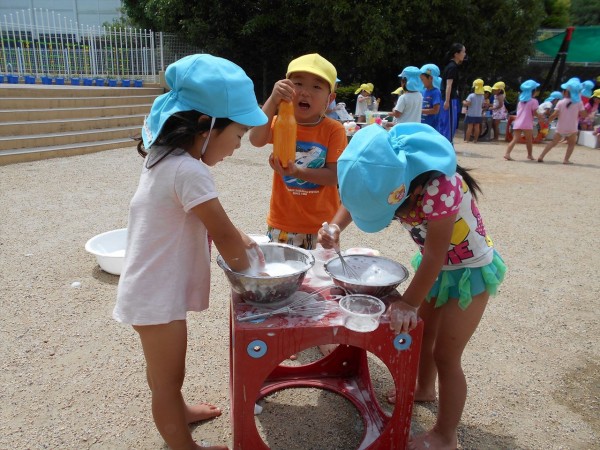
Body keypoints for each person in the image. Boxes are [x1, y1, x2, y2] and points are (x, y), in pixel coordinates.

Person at [318, 123, 506, 450]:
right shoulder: (392, 175)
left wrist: (407, 302)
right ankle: (424, 389)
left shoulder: (442, 189)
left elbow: (434, 255)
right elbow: (354, 199)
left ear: (409, 191)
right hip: (437, 269)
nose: (394, 218)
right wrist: (335, 226)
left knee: (446, 355)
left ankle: (446, 436)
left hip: (470, 273)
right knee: (423, 336)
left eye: (393, 213)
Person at [113, 54, 268, 450]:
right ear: (206, 127)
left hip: (150, 288)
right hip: (155, 296)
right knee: (167, 382)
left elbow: (210, 225)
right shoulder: (191, 172)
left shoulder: (165, 157)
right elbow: (225, 234)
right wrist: (257, 280)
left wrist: (241, 240)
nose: (236, 148)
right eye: (236, 136)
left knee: (162, 374)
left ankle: (179, 412)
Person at [249, 53, 347, 249]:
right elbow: (255, 139)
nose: (305, 92)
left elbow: (334, 176)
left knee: (318, 278)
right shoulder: (280, 122)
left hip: (321, 227)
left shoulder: (333, 129)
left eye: (316, 86)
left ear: (330, 99)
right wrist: (272, 101)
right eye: (298, 84)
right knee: (283, 276)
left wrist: (297, 172)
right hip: (282, 222)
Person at [537, 78, 591, 164]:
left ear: (566, 92)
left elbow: (554, 115)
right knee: (571, 144)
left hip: (561, 127)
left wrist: (548, 121)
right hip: (572, 128)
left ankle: (541, 156)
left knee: (553, 142)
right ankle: (566, 160)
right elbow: (584, 115)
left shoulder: (561, 102)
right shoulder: (579, 103)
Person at [504, 80, 543, 161]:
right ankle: (529, 155)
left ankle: (507, 153)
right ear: (533, 91)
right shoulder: (534, 101)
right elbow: (535, 112)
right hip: (527, 123)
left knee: (515, 139)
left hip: (518, 122)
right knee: (529, 140)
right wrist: (540, 116)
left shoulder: (521, 101)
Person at [439, 43, 467, 143]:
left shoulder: (450, 66)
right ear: (456, 54)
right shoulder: (452, 67)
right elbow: (448, 85)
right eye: (463, 52)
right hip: (450, 100)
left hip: (448, 99)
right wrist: (447, 101)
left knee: (445, 124)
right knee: (450, 125)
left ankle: (444, 147)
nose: (464, 54)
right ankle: (447, 147)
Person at [420, 63, 442, 132]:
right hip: (423, 126)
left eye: (422, 79)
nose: (421, 82)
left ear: (431, 78)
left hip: (432, 128)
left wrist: (419, 111)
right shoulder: (423, 91)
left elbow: (436, 110)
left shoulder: (436, 92)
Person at [462, 79, 485, 143]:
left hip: (471, 114)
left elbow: (468, 104)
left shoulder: (471, 95)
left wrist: (463, 102)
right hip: (478, 114)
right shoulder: (482, 96)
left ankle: (467, 140)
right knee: (477, 127)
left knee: (470, 127)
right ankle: (475, 140)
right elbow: (483, 104)